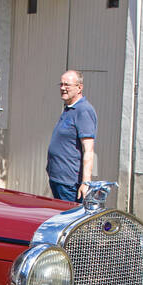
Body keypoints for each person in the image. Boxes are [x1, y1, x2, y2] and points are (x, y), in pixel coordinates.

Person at [46, 69, 96, 202]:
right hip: (58, 180)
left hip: (70, 184)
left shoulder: (83, 111)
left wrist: (85, 183)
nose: (63, 88)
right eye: (61, 84)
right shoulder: (69, 109)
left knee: (70, 220)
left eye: (67, 85)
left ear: (79, 88)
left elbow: (88, 150)